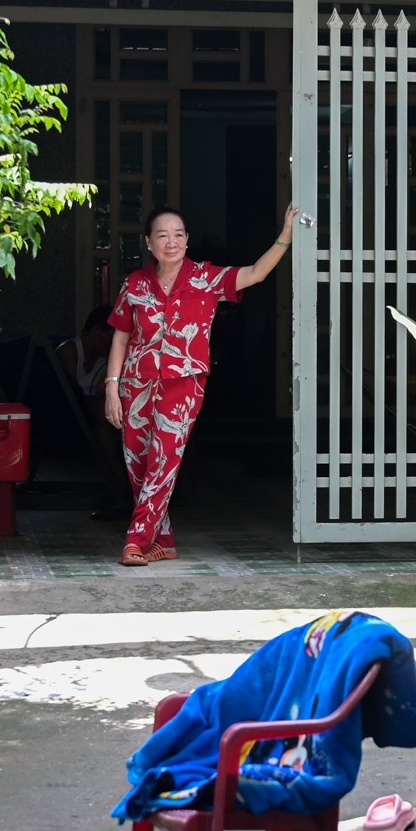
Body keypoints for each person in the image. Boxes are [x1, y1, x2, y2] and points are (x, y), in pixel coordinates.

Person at [103, 204, 296, 565]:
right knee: (138, 463)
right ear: (148, 242)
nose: (171, 241)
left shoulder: (205, 279)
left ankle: (136, 540)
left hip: (183, 385)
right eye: (162, 235)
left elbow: (254, 273)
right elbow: (120, 338)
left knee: (164, 461)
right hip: (135, 384)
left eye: (178, 234)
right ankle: (165, 540)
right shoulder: (134, 284)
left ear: (188, 240)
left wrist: (285, 236)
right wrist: (112, 387)